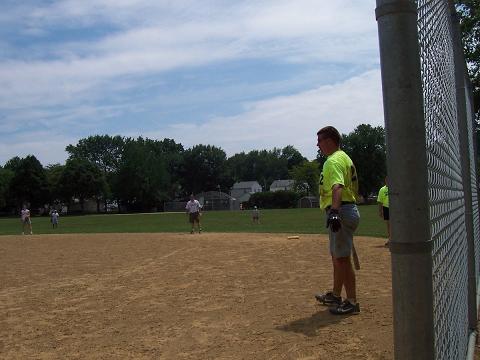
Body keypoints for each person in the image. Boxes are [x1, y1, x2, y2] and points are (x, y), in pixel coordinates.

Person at [314, 126, 361, 315]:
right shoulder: (344, 157)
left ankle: (351, 301)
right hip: (347, 209)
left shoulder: (332, 161)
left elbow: (337, 187)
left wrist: (334, 211)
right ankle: (335, 294)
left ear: (329, 140)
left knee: (342, 259)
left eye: (320, 141)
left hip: (341, 210)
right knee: (338, 257)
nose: (318, 145)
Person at [377, 177, 390, 247]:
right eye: (387, 179)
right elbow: (380, 201)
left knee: (394, 224)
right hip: (386, 208)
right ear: (385, 180)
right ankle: (390, 239)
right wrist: (380, 211)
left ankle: (395, 239)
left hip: (394, 209)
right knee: (388, 224)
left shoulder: (394, 188)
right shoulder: (382, 189)